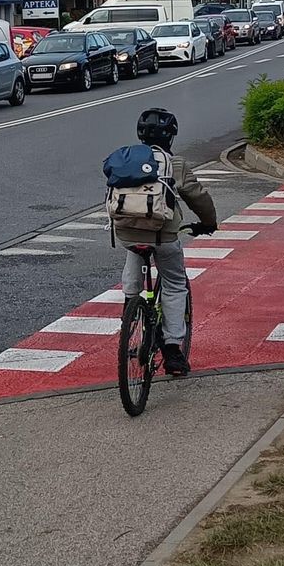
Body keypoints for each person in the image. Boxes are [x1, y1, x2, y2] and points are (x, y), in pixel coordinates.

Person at [118, 108, 218, 376]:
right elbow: (198, 197)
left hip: (128, 233)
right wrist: (208, 223)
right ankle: (173, 351)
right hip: (163, 235)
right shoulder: (176, 164)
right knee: (174, 284)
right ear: (171, 137)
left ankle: (130, 307)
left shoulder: (126, 158)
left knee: (135, 249)